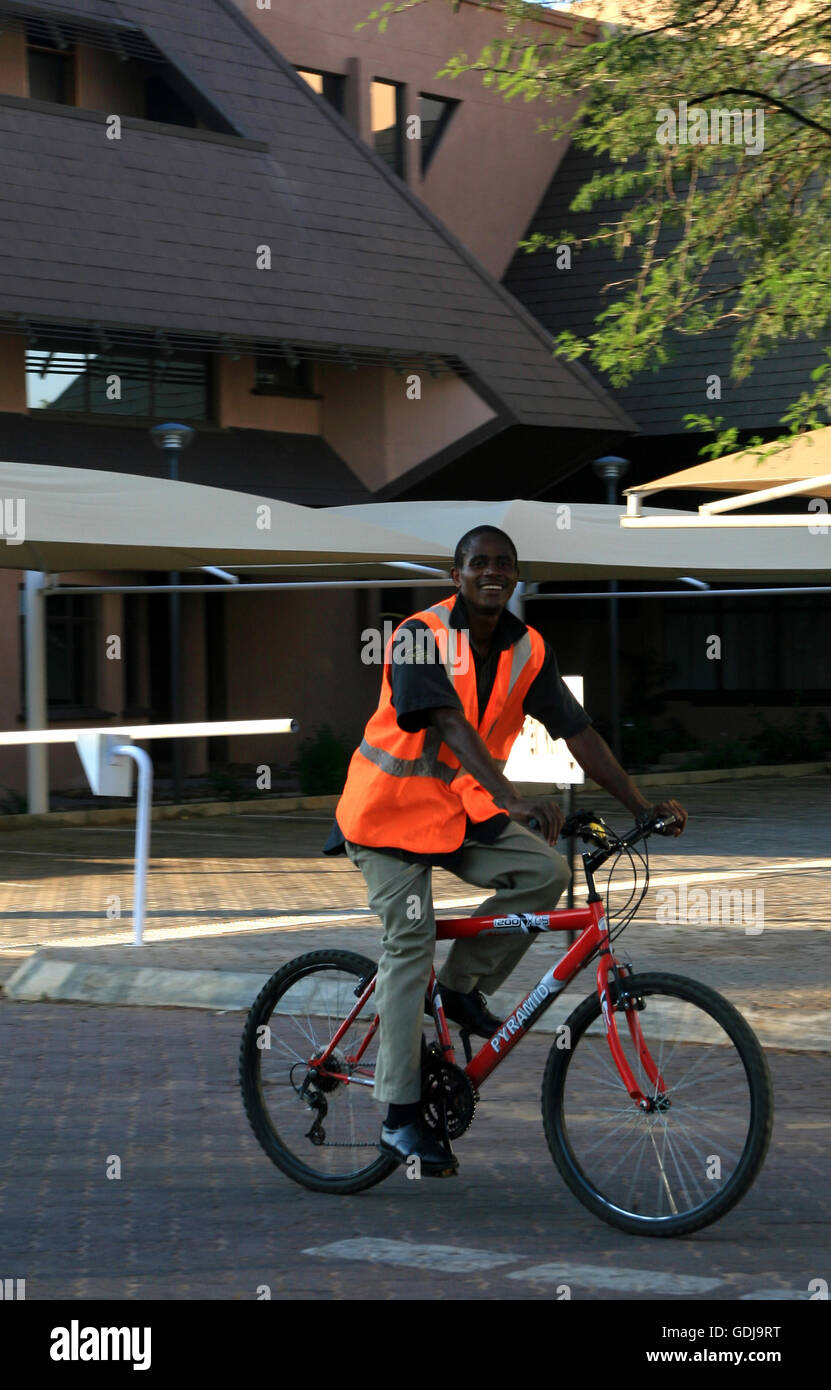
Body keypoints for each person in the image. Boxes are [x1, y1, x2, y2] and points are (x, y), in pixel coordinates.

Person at [323, 525, 687, 1176]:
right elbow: (445, 722)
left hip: (462, 813)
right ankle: (400, 1117)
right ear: (454, 575)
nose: (492, 571)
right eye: (478, 563)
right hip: (384, 817)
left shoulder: (527, 649)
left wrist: (640, 806)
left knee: (543, 870)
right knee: (409, 942)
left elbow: (576, 730)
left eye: (503, 564)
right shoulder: (417, 635)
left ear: (515, 576)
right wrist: (511, 796)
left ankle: (461, 988)